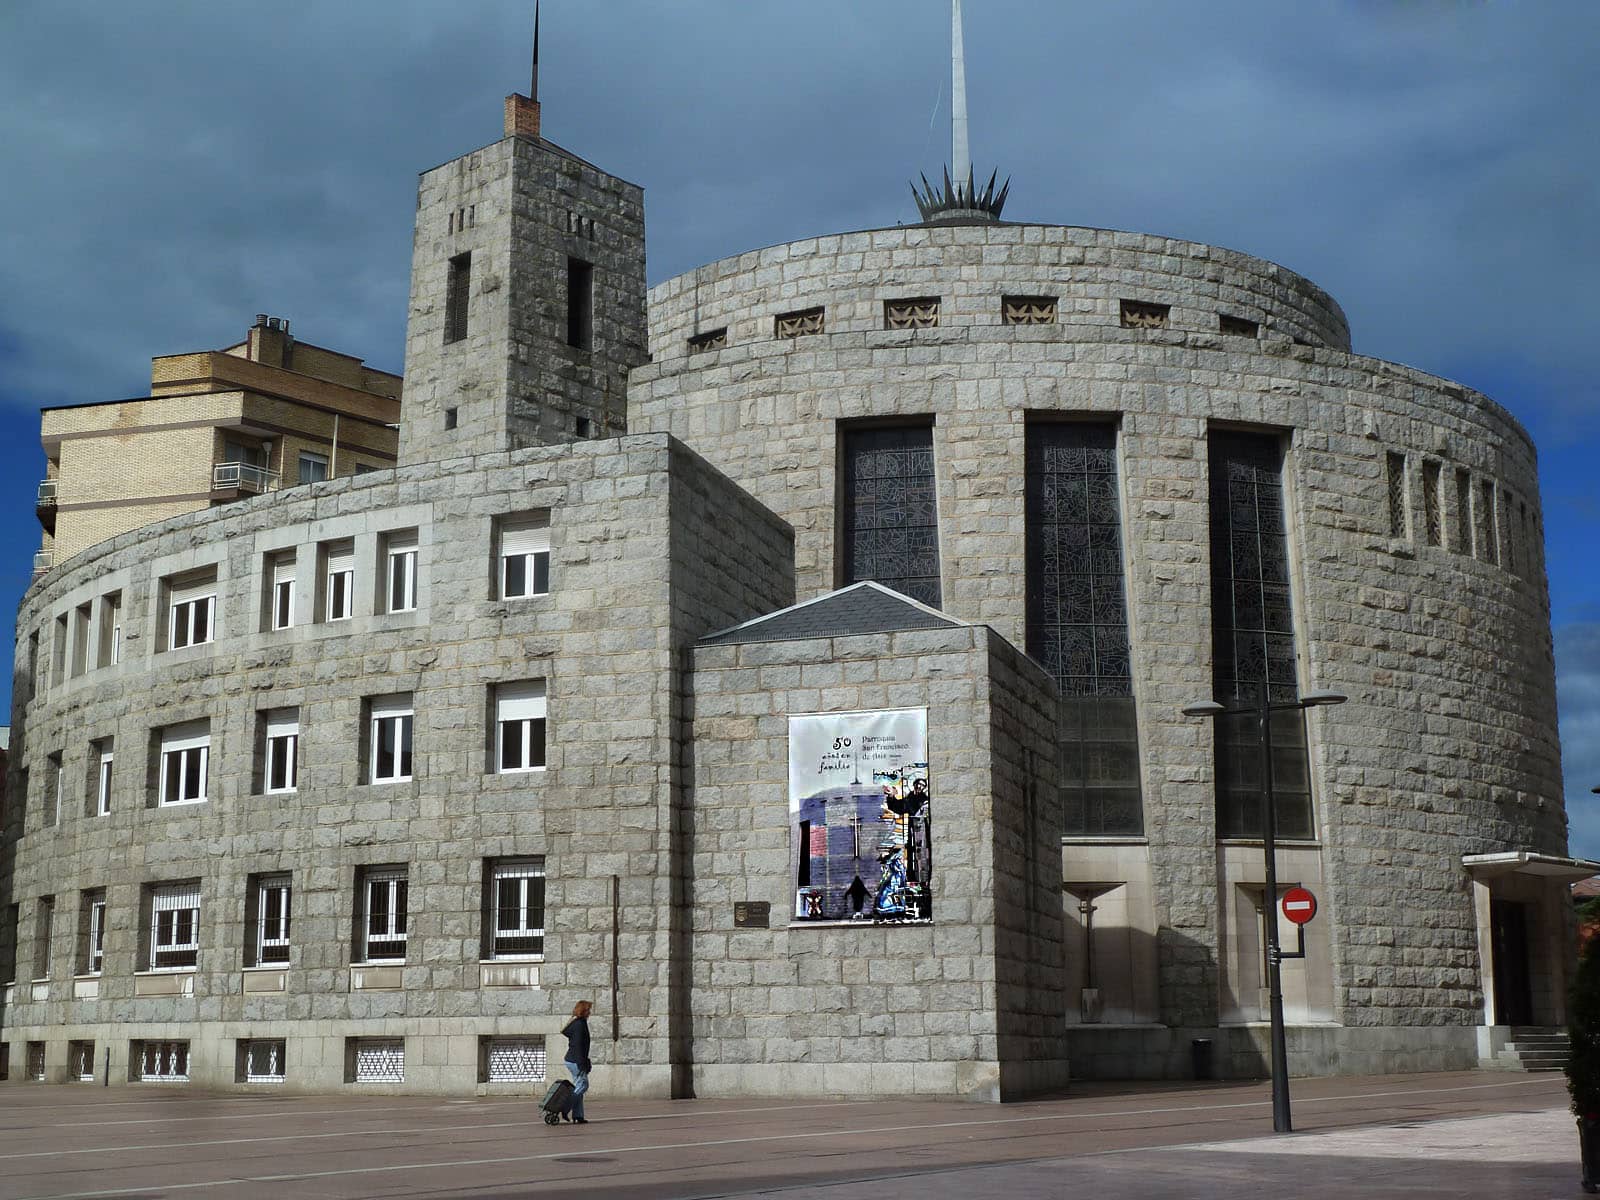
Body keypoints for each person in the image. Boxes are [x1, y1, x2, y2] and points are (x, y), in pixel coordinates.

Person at [561, 1000, 593, 1124]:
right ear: (583, 1011)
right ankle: (565, 1107)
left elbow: (566, 1032)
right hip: (575, 1060)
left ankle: (578, 1115)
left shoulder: (577, 1023)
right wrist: (582, 1063)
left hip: (572, 1059)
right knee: (583, 1085)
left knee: (578, 1086)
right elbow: (579, 1046)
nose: (590, 1012)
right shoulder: (580, 1025)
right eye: (588, 1010)